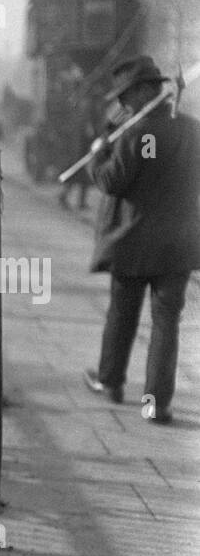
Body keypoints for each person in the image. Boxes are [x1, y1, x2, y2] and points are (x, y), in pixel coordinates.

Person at [82, 55, 200, 425]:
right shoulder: (192, 129)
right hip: (178, 244)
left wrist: (98, 153)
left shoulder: (135, 135)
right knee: (166, 323)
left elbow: (110, 182)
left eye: (125, 96)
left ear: (146, 90)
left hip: (133, 243)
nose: (121, 105)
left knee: (123, 315)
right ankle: (156, 403)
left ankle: (111, 381)